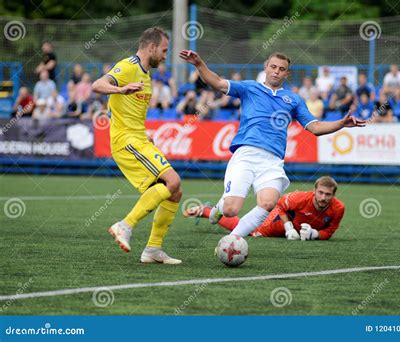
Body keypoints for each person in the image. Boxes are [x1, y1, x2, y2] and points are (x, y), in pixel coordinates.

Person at [179, 49, 365, 240]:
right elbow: (217, 83)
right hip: (246, 153)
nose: (276, 71)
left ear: (287, 74)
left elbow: (315, 127)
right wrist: (199, 64)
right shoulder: (249, 88)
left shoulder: (293, 99)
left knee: (268, 203)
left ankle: (232, 240)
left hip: (272, 160)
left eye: (282, 69)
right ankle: (218, 207)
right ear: (266, 67)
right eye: (273, 67)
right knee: (230, 210)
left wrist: (341, 124)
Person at [92, 26, 182, 265]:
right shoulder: (129, 65)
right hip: (126, 141)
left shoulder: (146, 74)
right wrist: (120, 88)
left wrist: (146, 134)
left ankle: (153, 249)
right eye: (164, 50)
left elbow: (132, 112)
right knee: (173, 181)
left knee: (174, 192)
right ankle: (125, 225)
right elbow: (97, 85)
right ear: (151, 47)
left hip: (139, 138)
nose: (165, 55)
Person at [185, 176, 345, 241]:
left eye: (328, 194)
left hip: (294, 231)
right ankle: (206, 211)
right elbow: (280, 204)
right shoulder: (301, 198)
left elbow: (329, 231)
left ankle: (209, 210)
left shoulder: (338, 208)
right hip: (278, 223)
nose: (323, 198)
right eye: (320, 193)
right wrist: (288, 227)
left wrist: (314, 234)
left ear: (334, 195)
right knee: (248, 230)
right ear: (314, 191)